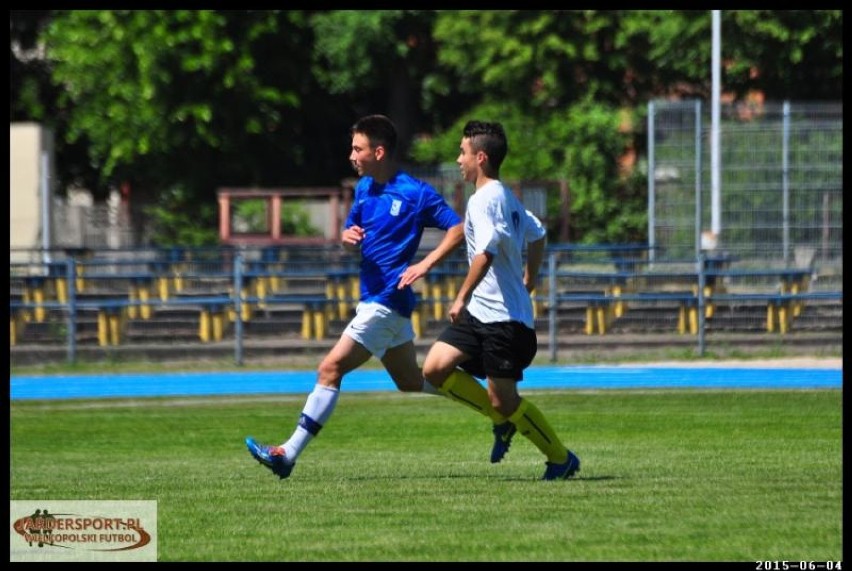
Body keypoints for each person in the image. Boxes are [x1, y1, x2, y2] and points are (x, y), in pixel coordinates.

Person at [245, 114, 514, 480]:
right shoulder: (363, 189)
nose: (351, 155)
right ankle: (498, 411)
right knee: (410, 381)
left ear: (379, 151)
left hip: (385, 302)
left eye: (358, 148)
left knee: (330, 369)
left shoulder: (415, 193)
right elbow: (351, 230)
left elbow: (455, 227)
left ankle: (287, 454)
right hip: (381, 302)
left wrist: (425, 264)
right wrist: (346, 237)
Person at [422, 120, 581, 481]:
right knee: (434, 368)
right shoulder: (505, 197)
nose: (458, 159)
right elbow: (538, 234)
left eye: (462, 153)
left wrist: (461, 296)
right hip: (484, 314)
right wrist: (531, 277)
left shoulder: (485, 199)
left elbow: (486, 252)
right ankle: (499, 420)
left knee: (504, 400)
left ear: (480, 157)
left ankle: (561, 458)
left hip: (505, 322)